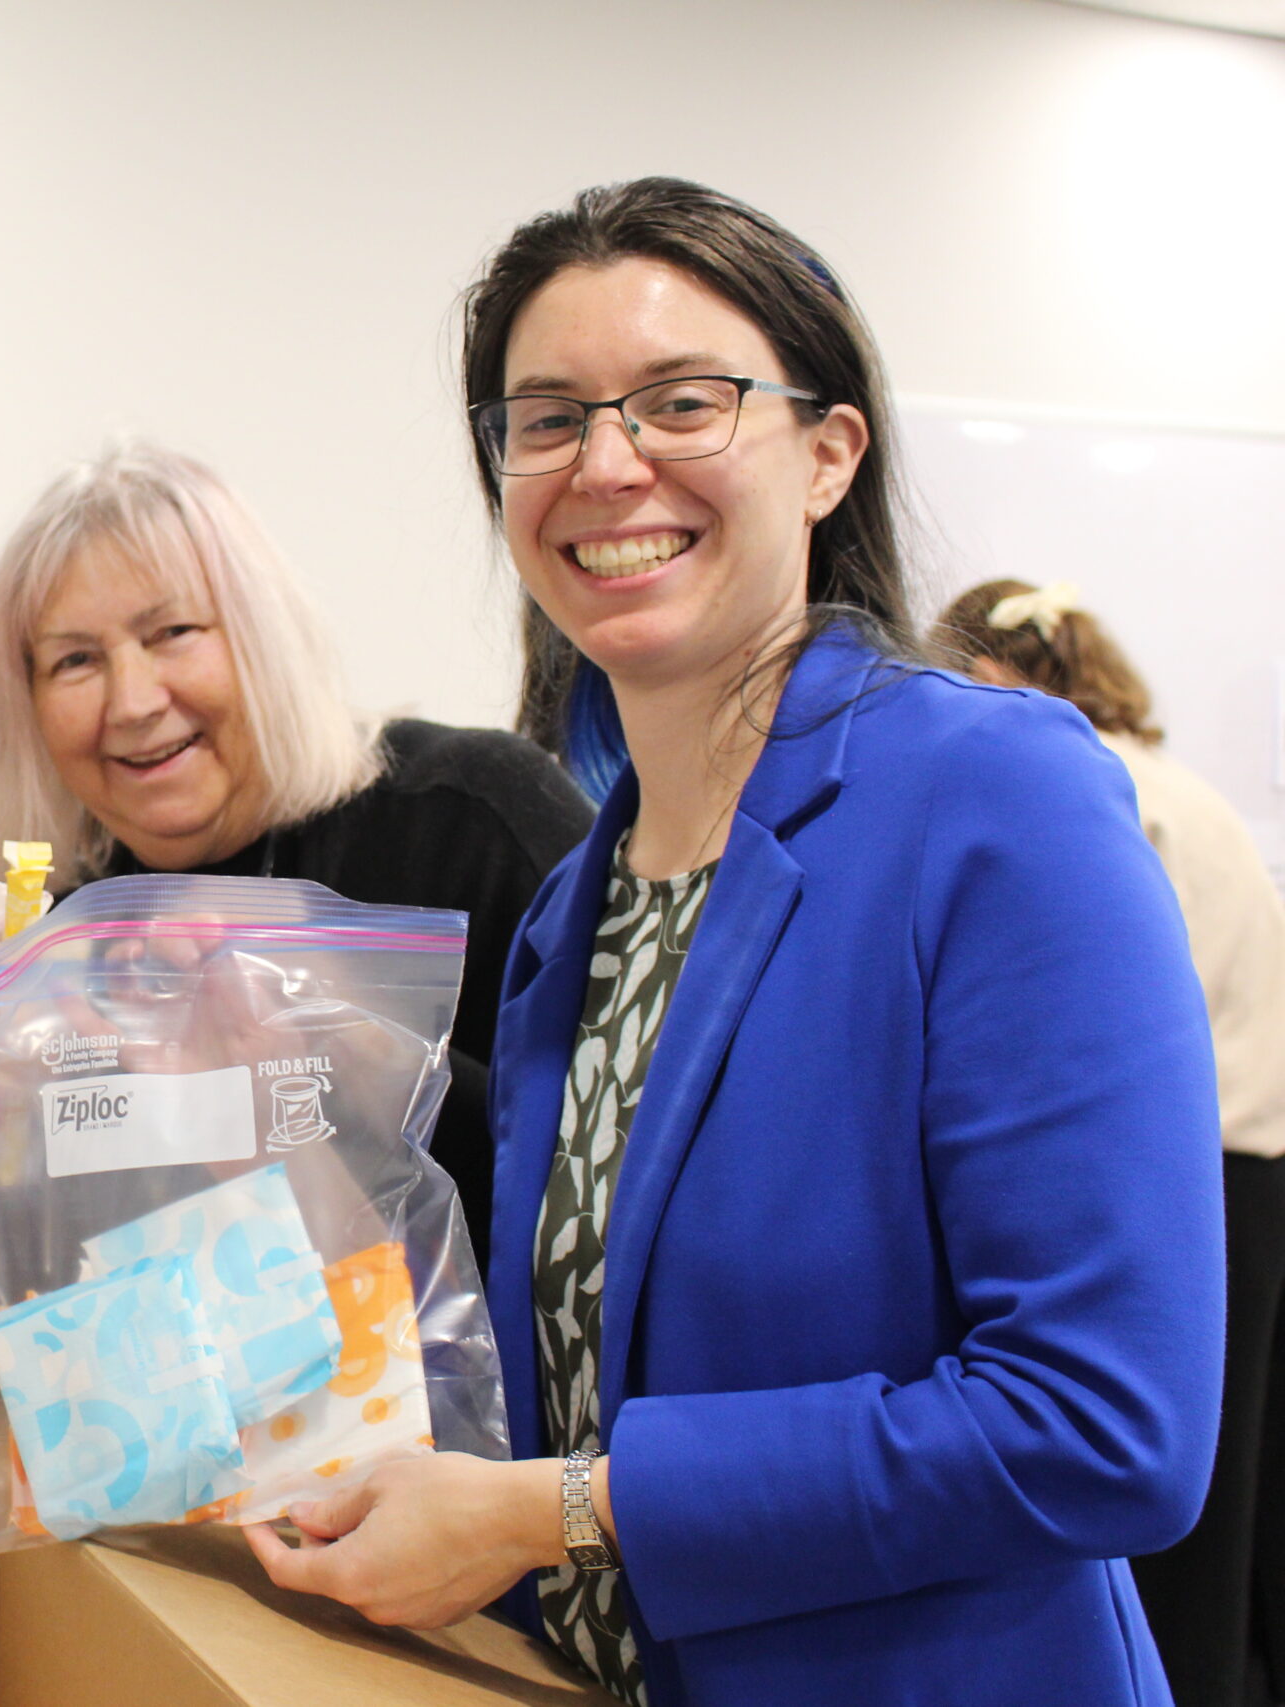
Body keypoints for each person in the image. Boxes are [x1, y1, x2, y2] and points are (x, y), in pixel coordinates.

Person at [245, 178, 1223, 1707]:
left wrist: (555, 1510)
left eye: (683, 402)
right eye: (548, 419)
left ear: (830, 453)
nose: (607, 463)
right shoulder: (579, 905)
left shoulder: (995, 797)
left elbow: (1104, 1424)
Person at [0, 440, 594, 1352]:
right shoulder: (70, 927)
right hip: (164, 1439)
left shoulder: (468, 818)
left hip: (464, 1430)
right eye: (76, 660)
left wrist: (351, 1057)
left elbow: (614, 1184)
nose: (134, 700)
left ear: (259, 636)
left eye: (173, 633)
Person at [941, 577, 1285, 1707]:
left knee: (1160, 1513)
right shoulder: (1173, 785)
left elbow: (1088, 1025)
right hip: (1249, 1164)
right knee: (1226, 1494)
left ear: (1005, 676)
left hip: (1197, 1169)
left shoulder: (1092, 793)